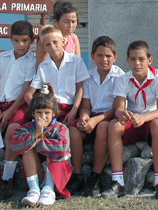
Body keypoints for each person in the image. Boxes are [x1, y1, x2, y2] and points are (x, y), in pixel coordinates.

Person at [101, 40, 158, 201]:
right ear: (127, 61)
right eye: (132, 59)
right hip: (134, 119)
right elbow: (119, 107)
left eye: (141, 59)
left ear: (150, 60)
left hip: (153, 119)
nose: (137, 63)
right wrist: (122, 114)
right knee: (114, 125)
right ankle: (117, 181)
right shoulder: (123, 79)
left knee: (156, 124)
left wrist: (143, 118)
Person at [67, 36, 125, 196]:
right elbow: (85, 106)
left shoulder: (120, 76)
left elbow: (116, 108)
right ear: (92, 56)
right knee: (74, 129)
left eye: (108, 56)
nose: (104, 59)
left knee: (103, 127)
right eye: (99, 55)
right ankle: (77, 175)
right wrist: (85, 116)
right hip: (93, 116)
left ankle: (95, 175)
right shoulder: (88, 77)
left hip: (110, 117)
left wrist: (95, 120)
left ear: (115, 57)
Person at [0, 20, 37, 200]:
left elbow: (25, 91)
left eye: (24, 40)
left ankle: (7, 179)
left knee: (11, 132)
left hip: (19, 105)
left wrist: (9, 112)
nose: (20, 45)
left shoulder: (31, 60)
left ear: (31, 40)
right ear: (10, 39)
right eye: (16, 40)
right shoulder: (3, 57)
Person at [11, 84, 72, 206]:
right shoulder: (27, 128)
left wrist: (39, 142)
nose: (42, 117)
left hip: (56, 173)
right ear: (33, 113)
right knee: (27, 147)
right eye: (39, 112)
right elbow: (16, 146)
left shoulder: (60, 128)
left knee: (51, 148)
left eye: (47, 113)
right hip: (37, 172)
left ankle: (49, 190)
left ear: (53, 113)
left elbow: (63, 147)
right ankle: (34, 189)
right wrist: (36, 134)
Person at [24, 25, 89, 125]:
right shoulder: (43, 67)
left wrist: (74, 111)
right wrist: (41, 109)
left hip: (70, 109)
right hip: (51, 111)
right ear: (43, 47)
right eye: (48, 44)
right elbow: (28, 94)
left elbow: (80, 88)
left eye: (55, 42)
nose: (52, 47)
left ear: (63, 42)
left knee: (71, 133)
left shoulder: (76, 61)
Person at [36, 0, 81, 67]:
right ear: (56, 21)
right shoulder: (46, 39)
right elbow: (41, 67)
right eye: (66, 22)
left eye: (73, 21)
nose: (70, 26)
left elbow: (78, 65)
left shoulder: (74, 38)